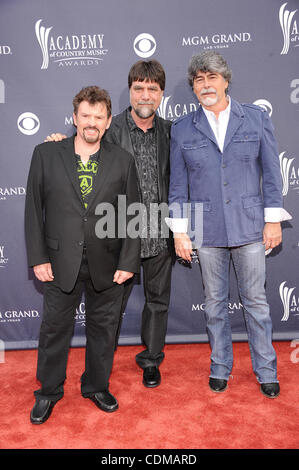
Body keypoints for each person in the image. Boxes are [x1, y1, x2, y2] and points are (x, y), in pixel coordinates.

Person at [167, 51, 291, 398]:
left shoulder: (254, 118)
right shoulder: (182, 128)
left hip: (251, 226)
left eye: (212, 78)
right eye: (199, 80)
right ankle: (220, 366)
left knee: (256, 303)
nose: (206, 85)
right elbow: (178, 184)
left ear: (226, 80)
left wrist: (273, 221)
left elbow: (271, 173)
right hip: (206, 231)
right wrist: (179, 230)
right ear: (193, 87)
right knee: (214, 304)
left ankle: (266, 369)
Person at [46, 60, 174, 389]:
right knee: (109, 307)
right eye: (138, 88)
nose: (145, 95)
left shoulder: (172, 131)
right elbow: (80, 150)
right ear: (129, 91)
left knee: (158, 302)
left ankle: (151, 360)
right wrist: (60, 142)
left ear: (161, 94)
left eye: (152, 89)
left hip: (160, 229)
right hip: (115, 231)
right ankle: (105, 361)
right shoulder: (109, 127)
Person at [25, 86, 140, 424]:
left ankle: (96, 386)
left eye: (99, 117)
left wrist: (128, 261)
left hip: (108, 261)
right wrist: (38, 256)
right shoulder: (46, 154)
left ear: (107, 123)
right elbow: (34, 209)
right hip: (60, 261)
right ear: (74, 118)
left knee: (104, 330)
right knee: (54, 329)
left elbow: (133, 213)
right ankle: (47, 391)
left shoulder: (122, 159)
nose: (92, 122)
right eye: (86, 116)